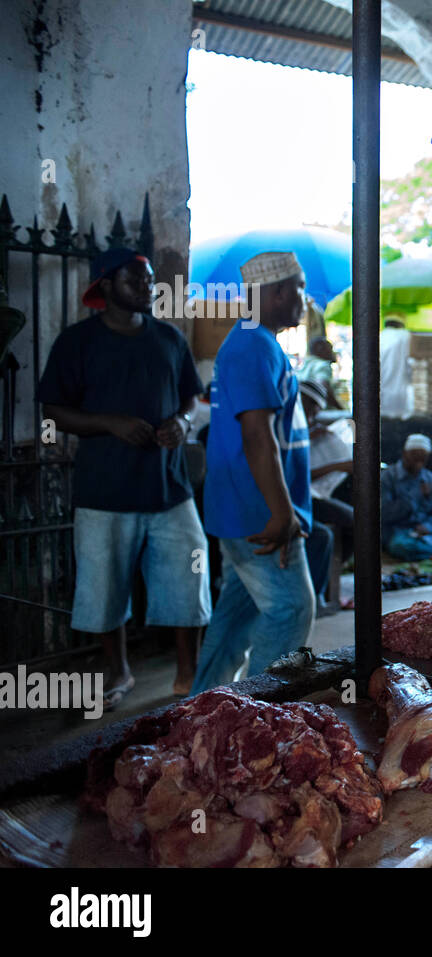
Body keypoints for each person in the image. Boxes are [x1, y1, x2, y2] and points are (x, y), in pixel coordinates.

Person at [37, 247, 210, 703]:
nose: (147, 288)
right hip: (104, 489)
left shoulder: (170, 340)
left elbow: (191, 398)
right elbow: (53, 410)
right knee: (103, 582)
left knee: (188, 574)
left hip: (169, 487)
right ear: (107, 286)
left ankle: (188, 674)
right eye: (135, 280)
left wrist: (183, 423)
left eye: (150, 279)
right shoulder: (77, 343)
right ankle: (119, 672)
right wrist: (108, 423)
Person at [192, 251, 315, 693]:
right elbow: (257, 435)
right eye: (300, 288)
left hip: (243, 506)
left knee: (236, 618)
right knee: (291, 610)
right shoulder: (252, 344)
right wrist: (281, 513)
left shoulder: (252, 340)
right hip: (258, 511)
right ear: (278, 291)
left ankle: (197, 709)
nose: (305, 298)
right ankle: (256, 715)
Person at [299, 378, 353, 605]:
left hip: (311, 495)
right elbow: (298, 476)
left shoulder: (309, 430)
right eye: (308, 408)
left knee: (355, 517)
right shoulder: (287, 429)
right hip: (298, 496)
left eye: (315, 412)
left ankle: (333, 572)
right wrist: (337, 466)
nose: (311, 416)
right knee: (349, 521)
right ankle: (317, 592)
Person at [379, 316, 413, 418]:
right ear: (400, 325)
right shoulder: (406, 336)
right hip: (401, 396)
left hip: (381, 396)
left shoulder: (379, 337)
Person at [298, 336, 341, 409]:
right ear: (321, 350)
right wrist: (340, 408)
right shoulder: (323, 365)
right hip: (316, 411)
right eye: (330, 349)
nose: (333, 352)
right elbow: (323, 387)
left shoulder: (307, 363)